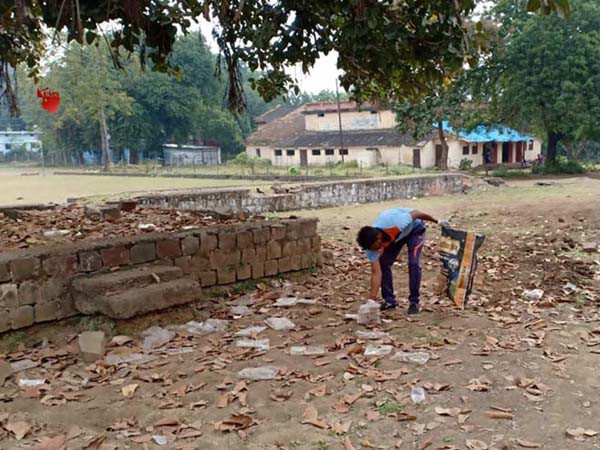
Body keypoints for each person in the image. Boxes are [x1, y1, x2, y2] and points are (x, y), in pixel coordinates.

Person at [357, 208, 450, 315]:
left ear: (379, 238)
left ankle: (414, 302)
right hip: (397, 237)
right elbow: (376, 272)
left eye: (375, 247)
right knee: (383, 264)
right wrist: (371, 300)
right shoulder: (370, 247)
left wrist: (437, 221)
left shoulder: (397, 222)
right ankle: (389, 301)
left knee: (413, 264)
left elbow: (417, 213)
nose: (374, 251)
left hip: (415, 229)